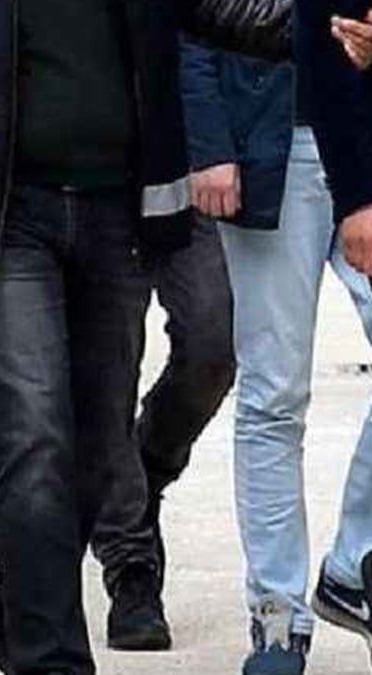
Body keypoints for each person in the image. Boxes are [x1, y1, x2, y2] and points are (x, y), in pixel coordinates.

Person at [0, 1, 290, 673]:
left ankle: (22, 614)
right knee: (35, 435)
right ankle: (52, 658)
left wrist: (330, 17)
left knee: (99, 449)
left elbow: (228, 7)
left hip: (118, 209)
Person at [237, 3, 372, 671]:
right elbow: (190, 20)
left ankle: (355, 561)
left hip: (362, 128)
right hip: (268, 134)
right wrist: (207, 148)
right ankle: (276, 617)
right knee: (274, 392)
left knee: (273, 394)